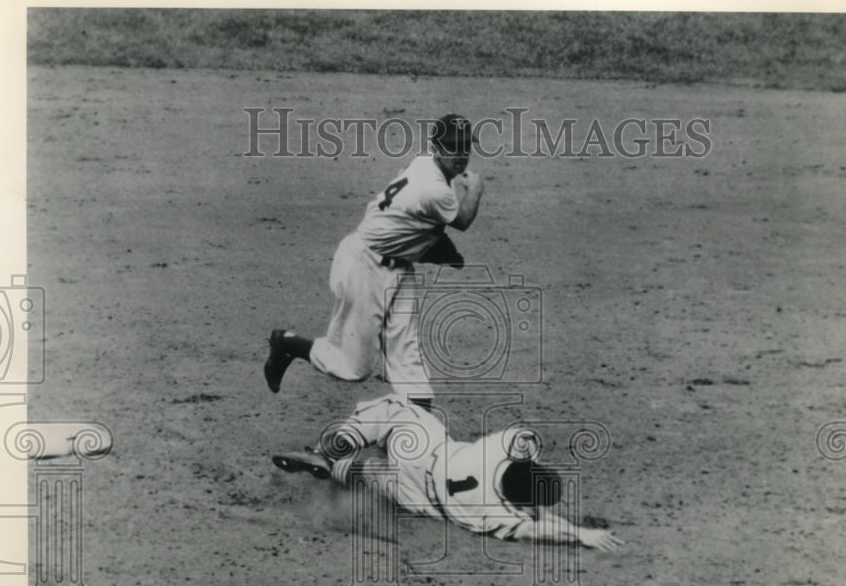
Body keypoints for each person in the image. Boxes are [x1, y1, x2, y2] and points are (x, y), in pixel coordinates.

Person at [263, 114, 484, 411]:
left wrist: (443, 251)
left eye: (465, 146)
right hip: (364, 267)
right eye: (453, 147)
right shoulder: (435, 190)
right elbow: (463, 220)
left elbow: (416, 225)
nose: (461, 154)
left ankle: (418, 418)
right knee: (354, 368)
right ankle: (288, 344)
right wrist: (475, 189)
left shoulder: (424, 164)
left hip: (397, 266)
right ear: (436, 148)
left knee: (406, 353)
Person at [272, 393, 625, 551]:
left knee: (395, 408)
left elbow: (527, 442)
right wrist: (579, 534)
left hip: (426, 454)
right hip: (419, 499)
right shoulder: (497, 513)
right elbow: (535, 527)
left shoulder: (501, 448)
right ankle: (340, 469)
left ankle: (329, 451)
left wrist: (530, 465)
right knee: (371, 475)